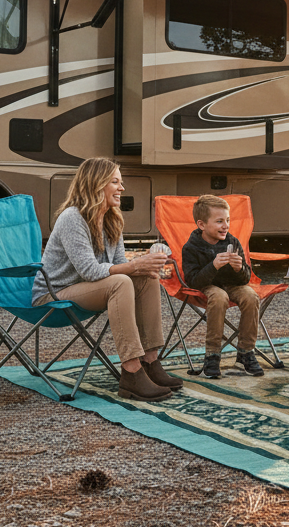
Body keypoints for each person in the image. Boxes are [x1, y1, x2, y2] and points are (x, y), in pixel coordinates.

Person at [31, 157, 177, 402]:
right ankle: (131, 372)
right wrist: (133, 266)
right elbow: (90, 271)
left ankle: (150, 362)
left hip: (86, 290)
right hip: (54, 294)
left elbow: (119, 262)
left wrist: (143, 265)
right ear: (96, 184)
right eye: (115, 182)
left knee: (147, 278)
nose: (122, 188)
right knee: (121, 282)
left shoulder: (112, 218)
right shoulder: (72, 218)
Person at [181, 195, 264, 379]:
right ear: (202, 225)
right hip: (207, 285)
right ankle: (212, 355)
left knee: (251, 296)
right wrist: (214, 266)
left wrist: (238, 268)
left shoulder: (232, 242)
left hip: (233, 284)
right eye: (219, 221)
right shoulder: (191, 247)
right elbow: (192, 280)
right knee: (219, 297)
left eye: (227, 220)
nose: (225, 225)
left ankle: (246, 351)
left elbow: (245, 278)